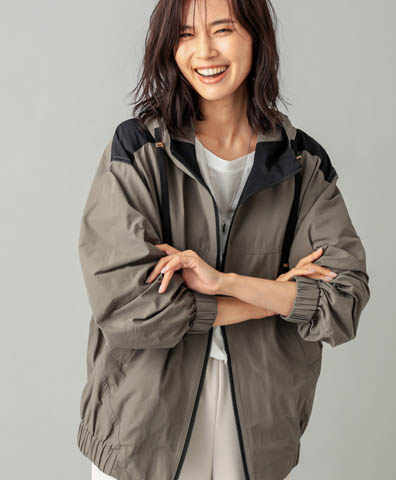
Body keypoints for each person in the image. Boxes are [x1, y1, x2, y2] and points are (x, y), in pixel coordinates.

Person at [77, 0, 371, 479]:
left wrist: (223, 281)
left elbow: (343, 302)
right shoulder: (139, 151)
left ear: (256, 36)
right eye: (185, 34)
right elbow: (130, 309)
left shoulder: (301, 163)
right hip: (142, 426)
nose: (205, 51)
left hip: (258, 427)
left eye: (222, 30)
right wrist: (272, 296)